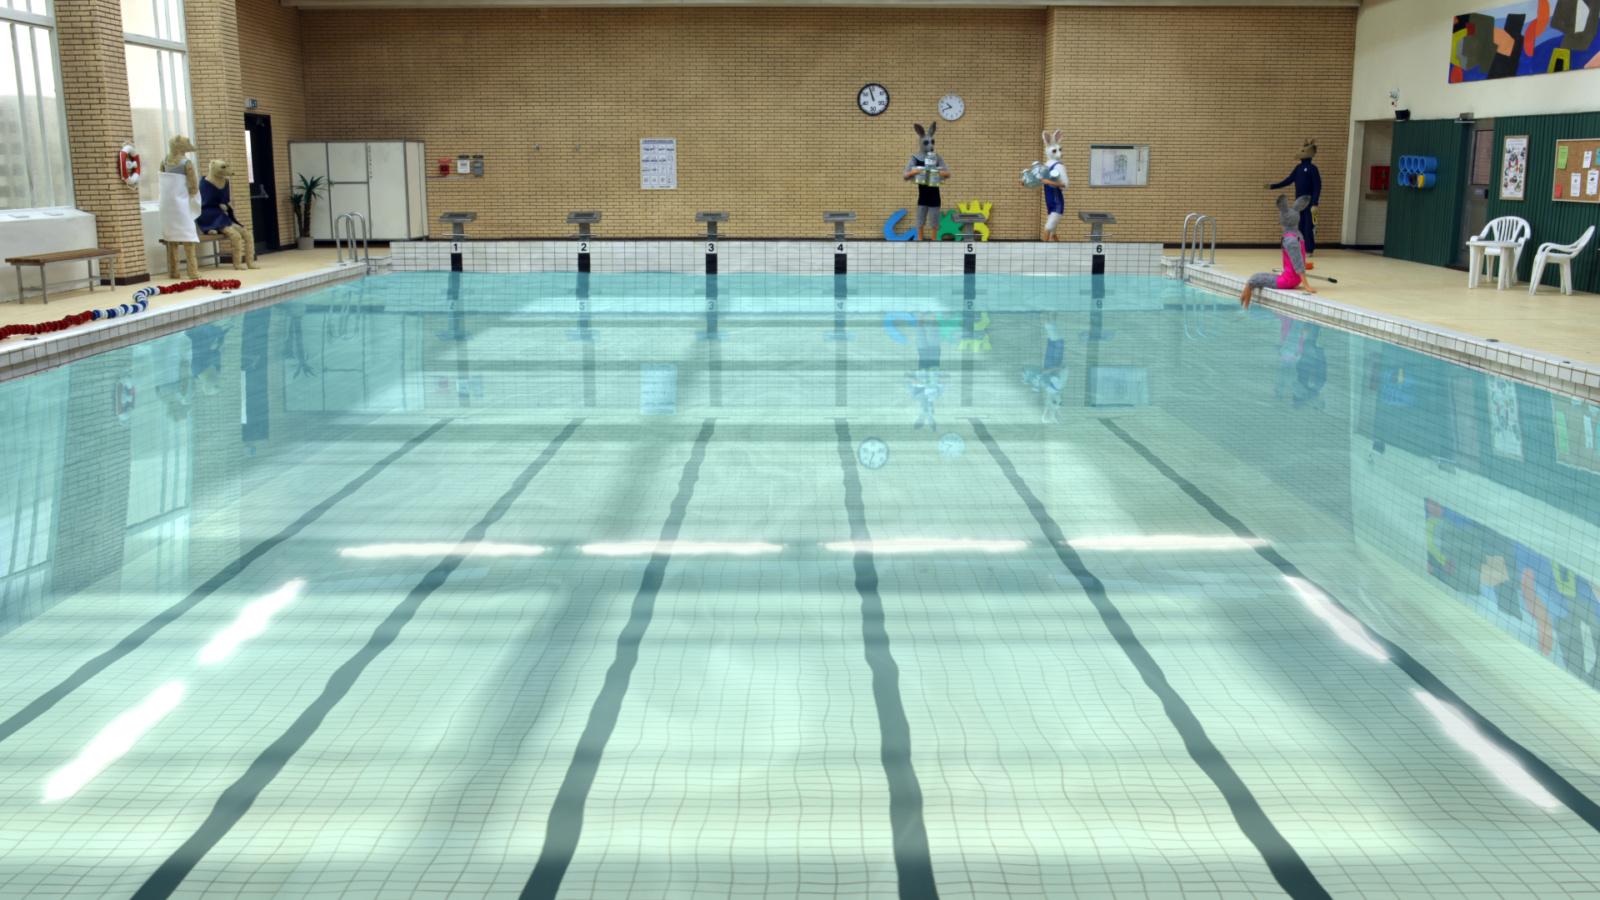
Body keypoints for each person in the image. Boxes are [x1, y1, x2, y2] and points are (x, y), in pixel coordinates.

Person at [1265, 138, 1321, 260]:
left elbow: (1317, 186)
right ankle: (1302, 247)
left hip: (1309, 202)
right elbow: (1289, 180)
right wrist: (1273, 186)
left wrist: (1314, 203)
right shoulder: (1298, 168)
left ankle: (1310, 249)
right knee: (1300, 226)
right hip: (1299, 203)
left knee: (1308, 226)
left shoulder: (1313, 169)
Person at [904, 123, 951, 242]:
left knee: (934, 220)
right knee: (920, 219)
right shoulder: (915, 158)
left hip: (935, 193)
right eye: (926, 143)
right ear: (921, 143)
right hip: (922, 194)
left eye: (932, 142)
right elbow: (905, 175)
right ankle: (920, 240)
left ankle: (934, 241)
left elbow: (948, 173)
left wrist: (943, 173)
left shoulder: (937, 157)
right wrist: (913, 172)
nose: (930, 146)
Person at [1023, 312, 1068, 423]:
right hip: (1050, 360)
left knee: (1056, 339)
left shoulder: (1056, 387)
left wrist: (1058, 369)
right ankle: (1052, 318)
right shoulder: (1049, 387)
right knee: (1053, 338)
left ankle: (1047, 317)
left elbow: (1052, 371)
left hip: (1054, 359)